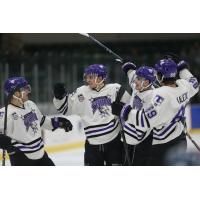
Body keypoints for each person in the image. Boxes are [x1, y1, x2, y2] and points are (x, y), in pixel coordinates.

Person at [120, 58, 199, 165]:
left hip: (163, 142)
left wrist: (128, 113)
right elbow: (194, 83)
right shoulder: (183, 86)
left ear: (160, 76)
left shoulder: (160, 95)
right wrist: (183, 69)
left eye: (157, 73)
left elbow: (145, 120)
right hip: (180, 137)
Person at [53, 64, 131, 166]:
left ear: (101, 78)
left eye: (91, 77)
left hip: (114, 143)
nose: (87, 80)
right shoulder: (81, 92)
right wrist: (59, 97)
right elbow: (65, 108)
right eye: (87, 77)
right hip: (92, 145)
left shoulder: (115, 89)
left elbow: (132, 107)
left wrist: (124, 109)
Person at [0, 77, 73, 166]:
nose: (28, 91)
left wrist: (58, 122)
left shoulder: (30, 104)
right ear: (15, 93)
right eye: (24, 89)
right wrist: (7, 144)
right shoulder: (5, 113)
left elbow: (42, 121)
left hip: (41, 155)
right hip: (22, 159)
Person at [118, 63, 156, 165]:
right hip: (128, 138)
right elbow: (132, 76)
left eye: (139, 79)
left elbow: (144, 123)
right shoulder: (138, 87)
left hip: (140, 140)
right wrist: (129, 68)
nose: (135, 81)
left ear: (147, 82)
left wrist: (125, 114)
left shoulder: (153, 97)